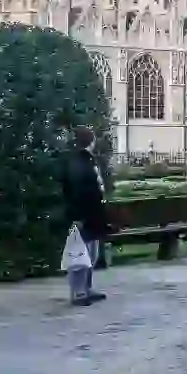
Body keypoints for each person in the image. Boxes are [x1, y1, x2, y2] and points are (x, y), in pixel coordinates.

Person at [63, 126, 110, 307]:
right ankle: (79, 292)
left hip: (88, 214)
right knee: (81, 254)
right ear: (92, 141)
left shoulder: (79, 161)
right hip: (86, 215)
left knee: (89, 253)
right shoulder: (82, 162)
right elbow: (83, 190)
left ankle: (86, 288)